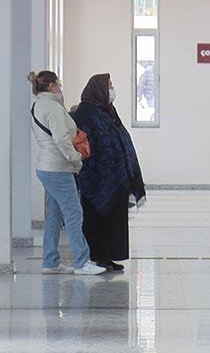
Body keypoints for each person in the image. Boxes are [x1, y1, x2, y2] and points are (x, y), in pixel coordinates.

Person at [27, 71, 106, 276]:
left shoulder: (39, 104)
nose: (60, 87)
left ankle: (50, 262)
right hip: (58, 168)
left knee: (54, 216)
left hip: (48, 166)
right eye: (58, 84)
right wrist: (76, 158)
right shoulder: (53, 107)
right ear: (52, 86)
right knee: (74, 213)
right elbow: (61, 138)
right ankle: (81, 262)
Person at [71, 73, 146, 272]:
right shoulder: (84, 113)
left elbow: (118, 137)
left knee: (115, 219)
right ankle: (98, 256)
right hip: (96, 176)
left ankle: (110, 256)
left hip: (116, 175)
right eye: (109, 86)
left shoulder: (107, 110)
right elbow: (86, 141)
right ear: (97, 89)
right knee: (97, 219)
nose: (111, 90)